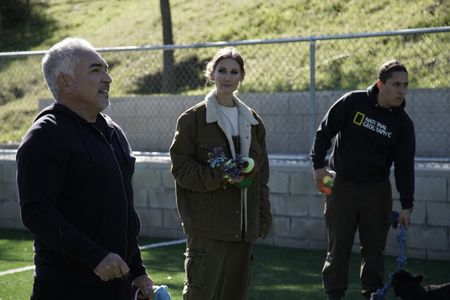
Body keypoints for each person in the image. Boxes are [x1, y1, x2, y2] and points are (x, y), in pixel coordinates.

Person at [16, 38, 154, 300]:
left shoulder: (113, 132)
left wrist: (137, 269)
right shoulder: (45, 135)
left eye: (106, 69)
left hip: (118, 286)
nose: (108, 78)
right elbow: (37, 212)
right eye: (96, 70)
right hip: (66, 288)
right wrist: (95, 257)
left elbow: (125, 211)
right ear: (66, 82)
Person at [169, 47, 272, 300]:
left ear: (242, 76)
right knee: (200, 295)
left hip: (243, 230)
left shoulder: (254, 121)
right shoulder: (192, 119)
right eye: (222, 70)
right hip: (207, 228)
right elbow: (181, 170)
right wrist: (221, 176)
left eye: (234, 72)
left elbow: (261, 177)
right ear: (211, 73)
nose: (227, 77)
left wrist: (261, 217)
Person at [310, 59, 415, 299]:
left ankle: (372, 294)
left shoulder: (403, 124)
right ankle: (334, 294)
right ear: (381, 84)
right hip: (341, 186)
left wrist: (407, 205)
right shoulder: (352, 102)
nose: (401, 90)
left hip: (377, 190)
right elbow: (324, 132)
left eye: (405, 85)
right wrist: (318, 166)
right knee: (338, 247)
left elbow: (405, 167)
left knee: (374, 251)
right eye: (396, 84)